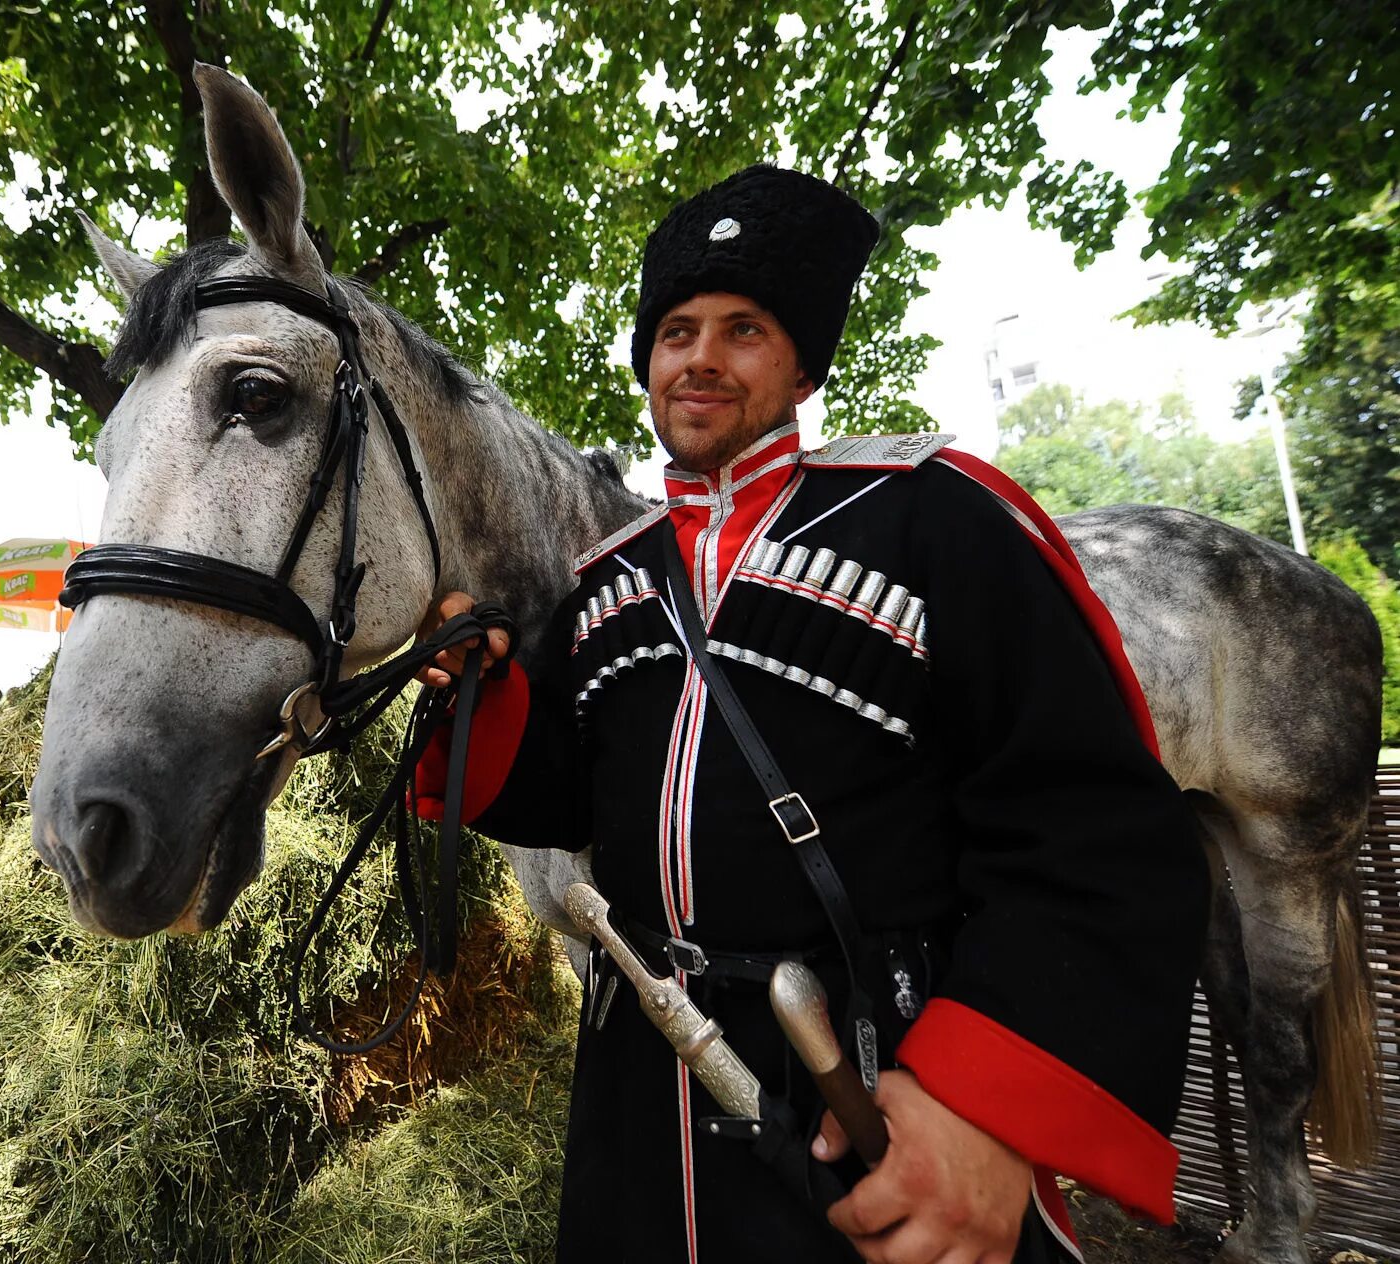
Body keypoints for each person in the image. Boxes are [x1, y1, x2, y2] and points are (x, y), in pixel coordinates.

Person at [415, 166, 1209, 1263]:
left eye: (744, 330)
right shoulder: (605, 578)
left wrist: (981, 1110)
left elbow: (1092, 832)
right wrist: (481, 697)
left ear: (800, 368)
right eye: (677, 330)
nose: (700, 357)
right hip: (636, 1104)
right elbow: (566, 789)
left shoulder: (935, 518)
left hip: (862, 1088)